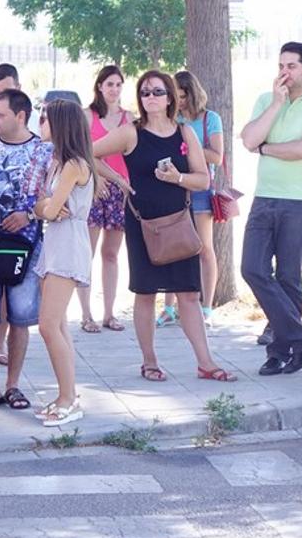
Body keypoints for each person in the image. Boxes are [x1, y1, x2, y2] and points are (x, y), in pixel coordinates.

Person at [93, 70, 236, 382]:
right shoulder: (131, 132)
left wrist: (178, 178)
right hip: (143, 223)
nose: (151, 97)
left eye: (158, 91)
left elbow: (204, 179)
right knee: (145, 293)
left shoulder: (185, 134)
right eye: (145, 92)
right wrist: (117, 179)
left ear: (171, 97)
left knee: (188, 294)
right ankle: (149, 361)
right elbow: (89, 152)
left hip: (179, 223)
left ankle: (206, 362)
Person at [240, 42, 302, 375]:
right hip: (264, 197)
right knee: (252, 268)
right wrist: (276, 104)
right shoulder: (267, 100)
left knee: (289, 276)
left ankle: (280, 350)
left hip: (298, 200)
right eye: (281, 65)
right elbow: (248, 139)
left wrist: (266, 149)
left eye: (291, 66)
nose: (284, 72)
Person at [0, 88, 51, 413]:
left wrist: (28, 215)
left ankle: (13, 385)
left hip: (25, 247)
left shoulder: (43, 152)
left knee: (20, 318)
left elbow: (54, 197)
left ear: (21, 116)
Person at [34, 99, 97, 426]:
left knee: (48, 325)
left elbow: (48, 207)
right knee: (57, 325)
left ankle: (68, 398)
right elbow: (40, 206)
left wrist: (44, 206)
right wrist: (44, 206)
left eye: (45, 119)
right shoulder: (57, 163)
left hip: (69, 243)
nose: (40, 124)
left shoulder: (74, 164)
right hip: (55, 241)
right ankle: (66, 394)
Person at [163, 69, 224, 326]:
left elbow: (217, 156)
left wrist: (190, 148)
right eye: (175, 96)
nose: (180, 101)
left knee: (204, 248)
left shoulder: (210, 119)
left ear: (192, 93)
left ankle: (207, 307)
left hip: (200, 189)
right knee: (172, 249)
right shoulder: (172, 119)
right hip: (173, 189)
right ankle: (169, 307)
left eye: (183, 95)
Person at [78, 64, 133, 334]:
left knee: (111, 254)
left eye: (118, 84)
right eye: (109, 84)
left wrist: (125, 184)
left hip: (120, 189)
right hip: (94, 186)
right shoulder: (88, 116)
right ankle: (86, 314)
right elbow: (82, 153)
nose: (113, 89)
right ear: (100, 86)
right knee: (86, 252)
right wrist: (97, 179)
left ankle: (110, 313)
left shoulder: (128, 118)